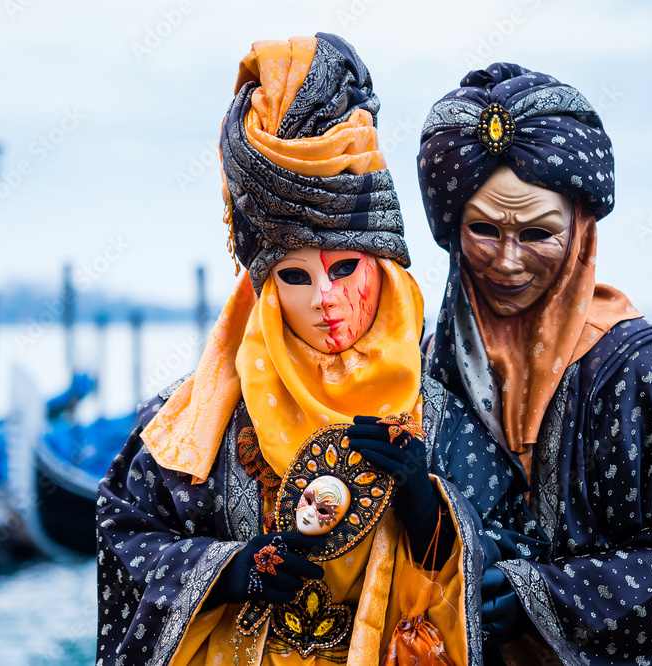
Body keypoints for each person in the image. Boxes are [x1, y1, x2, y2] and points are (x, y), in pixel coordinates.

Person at [96, 34, 483, 666]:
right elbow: (122, 538)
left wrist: (427, 510)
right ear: (264, 290)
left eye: (345, 268)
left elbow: (510, 559)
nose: (324, 300)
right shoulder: (192, 426)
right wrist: (226, 571)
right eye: (295, 277)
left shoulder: (442, 411)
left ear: (385, 266)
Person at [415, 62, 652, 665]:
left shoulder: (641, 371)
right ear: (451, 229)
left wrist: (538, 596)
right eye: (484, 230)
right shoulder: (436, 362)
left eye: (537, 234)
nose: (507, 263)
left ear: (582, 230)